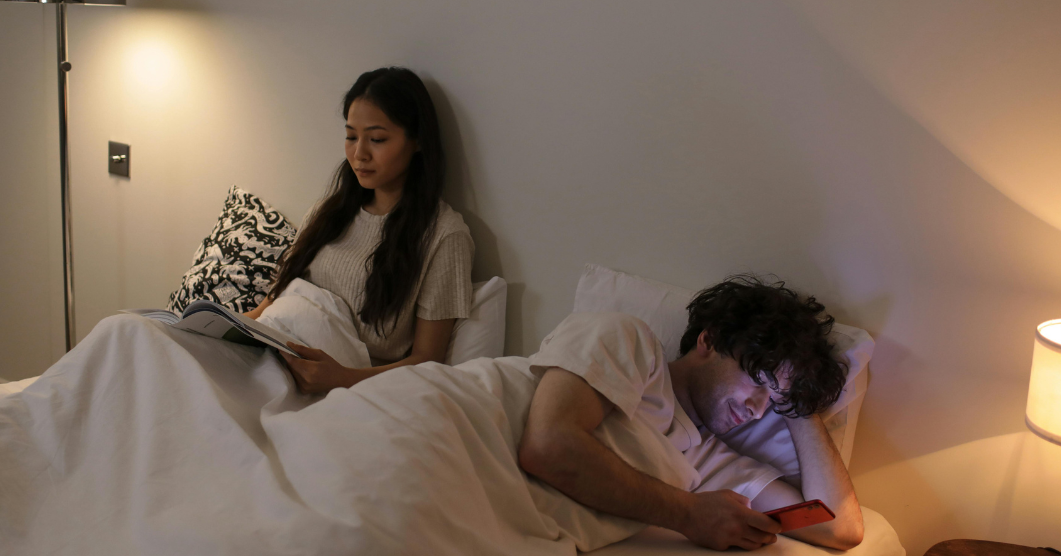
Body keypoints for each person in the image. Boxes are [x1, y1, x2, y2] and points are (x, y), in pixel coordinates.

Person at [518, 276, 866, 551]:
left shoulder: (710, 462)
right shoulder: (629, 341)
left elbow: (838, 528)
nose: (758, 411)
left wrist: (796, 404)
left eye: (773, 402)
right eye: (759, 380)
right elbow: (549, 445)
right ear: (710, 340)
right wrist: (686, 513)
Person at [246, 67, 474, 392]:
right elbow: (271, 303)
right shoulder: (329, 212)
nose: (359, 154)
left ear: (418, 141)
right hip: (267, 355)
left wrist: (343, 380)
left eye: (377, 139)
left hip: (339, 388)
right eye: (351, 136)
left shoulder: (443, 235)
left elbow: (428, 359)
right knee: (151, 336)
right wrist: (230, 326)